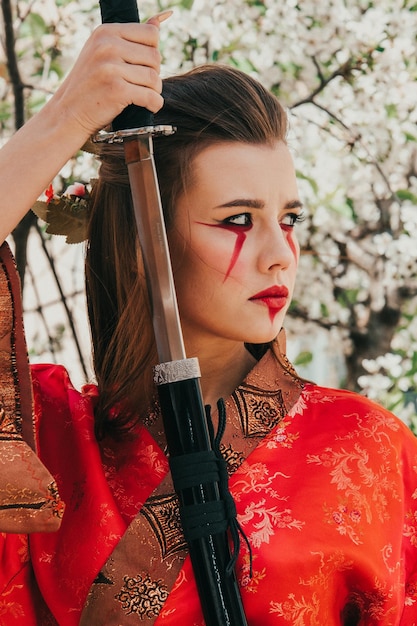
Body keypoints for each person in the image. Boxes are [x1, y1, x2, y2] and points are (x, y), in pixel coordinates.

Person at [1, 13, 417, 626]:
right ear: (144, 243)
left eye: (291, 218)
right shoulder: (51, 436)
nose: (279, 252)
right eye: (238, 220)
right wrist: (66, 117)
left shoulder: (367, 445)